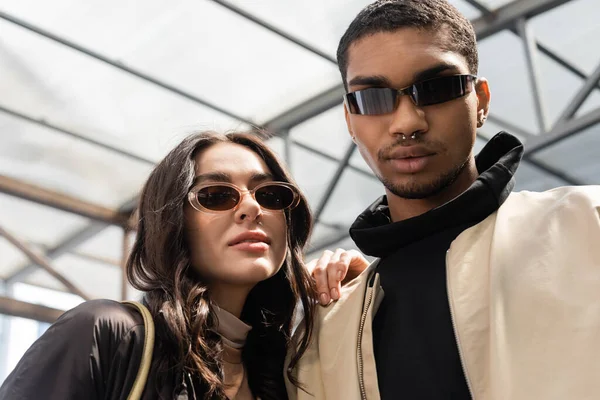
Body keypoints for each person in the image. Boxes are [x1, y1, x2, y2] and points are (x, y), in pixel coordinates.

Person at [288, 1, 600, 399]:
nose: (407, 123)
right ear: (350, 120)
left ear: (481, 100)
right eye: (372, 99)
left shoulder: (588, 225)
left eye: (436, 89)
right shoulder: (326, 331)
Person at [0, 131, 365, 400]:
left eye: (270, 194)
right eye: (216, 195)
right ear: (172, 223)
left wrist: (364, 308)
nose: (253, 208)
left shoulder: (284, 370)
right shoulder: (105, 332)